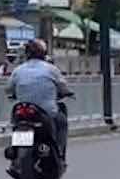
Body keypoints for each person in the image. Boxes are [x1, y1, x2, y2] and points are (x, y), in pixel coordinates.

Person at [5, 38, 72, 169]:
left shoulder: (18, 70)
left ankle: (15, 154)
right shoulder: (51, 69)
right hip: (47, 111)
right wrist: (67, 93)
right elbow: (63, 87)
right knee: (62, 122)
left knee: (16, 124)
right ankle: (59, 152)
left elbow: (8, 89)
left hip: (22, 109)